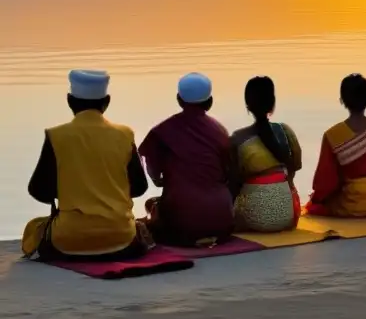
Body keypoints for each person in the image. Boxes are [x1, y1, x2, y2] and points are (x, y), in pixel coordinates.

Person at [22, 70, 153, 261]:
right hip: (120, 236)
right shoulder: (125, 134)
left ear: (69, 101)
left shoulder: (57, 136)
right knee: (139, 228)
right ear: (107, 101)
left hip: (69, 239)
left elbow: (39, 190)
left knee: (34, 228)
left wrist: (72, 190)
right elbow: (140, 187)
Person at [138, 73, 234, 245]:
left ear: (179, 100)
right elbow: (228, 172)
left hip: (181, 223)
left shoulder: (162, 131)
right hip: (223, 220)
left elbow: (154, 174)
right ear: (209, 102)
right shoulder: (220, 131)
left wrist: (161, 179)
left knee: (152, 207)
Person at [305, 74, 366, 218]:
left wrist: (316, 198)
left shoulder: (332, 135)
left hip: (350, 203)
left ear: (342, 101)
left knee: (318, 204)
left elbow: (325, 181)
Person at [230, 76, 303, 232]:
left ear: (248, 105)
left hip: (255, 218)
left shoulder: (238, 138)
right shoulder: (286, 131)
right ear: (273, 103)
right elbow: (294, 168)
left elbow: (234, 181)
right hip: (289, 215)